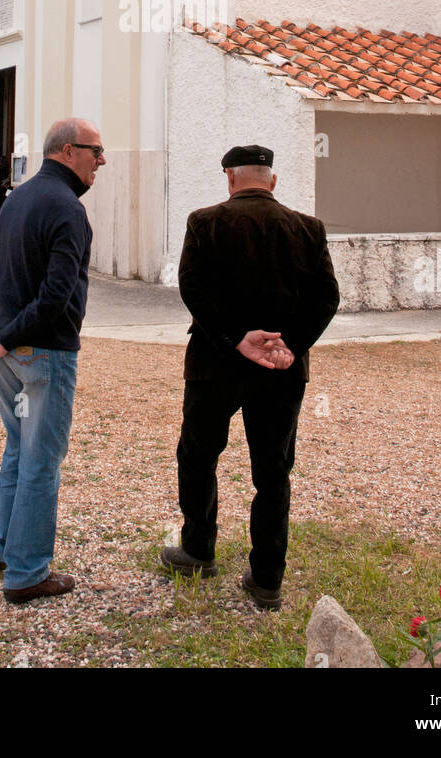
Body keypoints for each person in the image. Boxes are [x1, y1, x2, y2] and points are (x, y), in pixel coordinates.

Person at [162, 144, 340, 612]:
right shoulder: (308, 228)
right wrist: (290, 346)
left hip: (213, 365)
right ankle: (267, 579)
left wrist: (236, 338)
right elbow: (327, 298)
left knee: (198, 456)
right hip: (281, 372)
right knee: (273, 472)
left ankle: (198, 549)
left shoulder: (205, 222)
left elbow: (192, 288)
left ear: (229, 178)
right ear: (272, 180)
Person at [0, 117, 105, 603]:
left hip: (10, 350)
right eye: (96, 151)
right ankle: (27, 574)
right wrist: (2, 337)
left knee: (18, 449)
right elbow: (55, 297)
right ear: (68, 151)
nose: (102, 160)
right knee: (41, 461)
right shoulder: (67, 208)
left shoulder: (15, 199)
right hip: (42, 353)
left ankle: (2, 546)